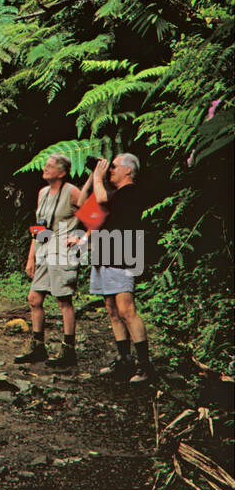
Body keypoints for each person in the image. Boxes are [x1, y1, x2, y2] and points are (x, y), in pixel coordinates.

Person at [77, 153, 157, 384]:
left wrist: (100, 178)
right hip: (105, 255)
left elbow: (101, 202)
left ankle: (145, 365)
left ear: (128, 170)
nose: (110, 169)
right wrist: (95, 176)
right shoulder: (112, 193)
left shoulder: (131, 193)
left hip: (123, 255)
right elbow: (84, 204)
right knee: (111, 309)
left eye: (113, 166)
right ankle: (125, 360)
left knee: (126, 310)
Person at [15, 154, 82, 369]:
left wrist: (80, 238)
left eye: (50, 166)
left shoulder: (72, 191)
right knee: (34, 297)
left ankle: (68, 349)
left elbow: (93, 214)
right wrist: (31, 256)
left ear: (61, 172)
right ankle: (38, 346)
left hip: (63, 251)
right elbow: (39, 227)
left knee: (63, 299)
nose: (45, 168)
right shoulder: (42, 193)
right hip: (44, 249)